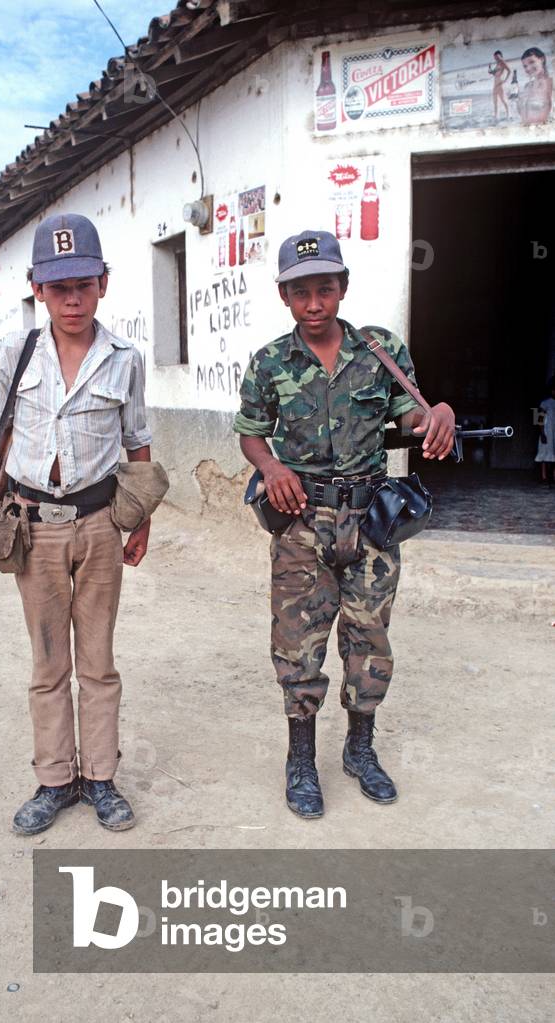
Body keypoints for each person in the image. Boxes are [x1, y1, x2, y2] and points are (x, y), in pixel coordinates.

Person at [233, 230, 455, 819]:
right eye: (300, 291)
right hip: (300, 519)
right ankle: (301, 761)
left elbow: (412, 414)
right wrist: (272, 466)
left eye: (324, 289)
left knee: (368, 636)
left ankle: (360, 749)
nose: (313, 303)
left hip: (372, 520)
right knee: (298, 641)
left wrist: (440, 414)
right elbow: (251, 433)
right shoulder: (270, 362)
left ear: (342, 288)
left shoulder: (380, 350)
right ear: (284, 295)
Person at [0, 213, 153, 835]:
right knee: (48, 665)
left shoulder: (125, 359)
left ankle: (100, 779)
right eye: (58, 286)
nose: (72, 299)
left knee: (98, 662)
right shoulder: (14, 353)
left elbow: (138, 442)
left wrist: (141, 520)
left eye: (84, 284)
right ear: (38, 287)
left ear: (103, 284)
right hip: (32, 528)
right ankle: (54, 780)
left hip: (98, 527)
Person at [518, 46, 553, 125]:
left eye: (532, 62)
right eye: (525, 66)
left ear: (542, 59)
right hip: (525, 132)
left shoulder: (551, 83)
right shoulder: (527, 86)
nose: (528, 68)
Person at [535, 375, 555, 485]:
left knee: (553, 454)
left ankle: (553, 476)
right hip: (547, 432)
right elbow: (539, 418)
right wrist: (542, 433)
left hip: (554, 432)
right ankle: (544, 477)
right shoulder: (545, 403)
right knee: (545, 454)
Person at [488, 50, 511, 120]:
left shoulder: (502, 62)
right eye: (495, 58)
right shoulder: (497, 64)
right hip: (495, 84)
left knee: (503, 99)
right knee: (495, 100)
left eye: (497, 57)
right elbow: (494, 73)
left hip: (500, 83)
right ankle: (496, 116)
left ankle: (509, 114)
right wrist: (490, 69)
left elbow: (509, 70)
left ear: (501, 56)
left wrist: (505, 80)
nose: (496, 59)